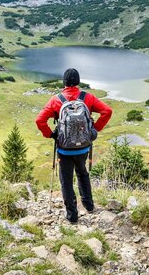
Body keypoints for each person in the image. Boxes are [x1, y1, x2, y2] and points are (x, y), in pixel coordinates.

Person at [36, 68, 113, 224]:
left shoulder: (56, 100)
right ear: (78, 81)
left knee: (66, 180)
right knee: (82, 174)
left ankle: (72, 216)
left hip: (64, 149)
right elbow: (107, 111)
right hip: (84, 146)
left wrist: (51, 134)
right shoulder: (87, 98)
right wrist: (94, 130)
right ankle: (89, 206)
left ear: (64, 82)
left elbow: (39, 120)